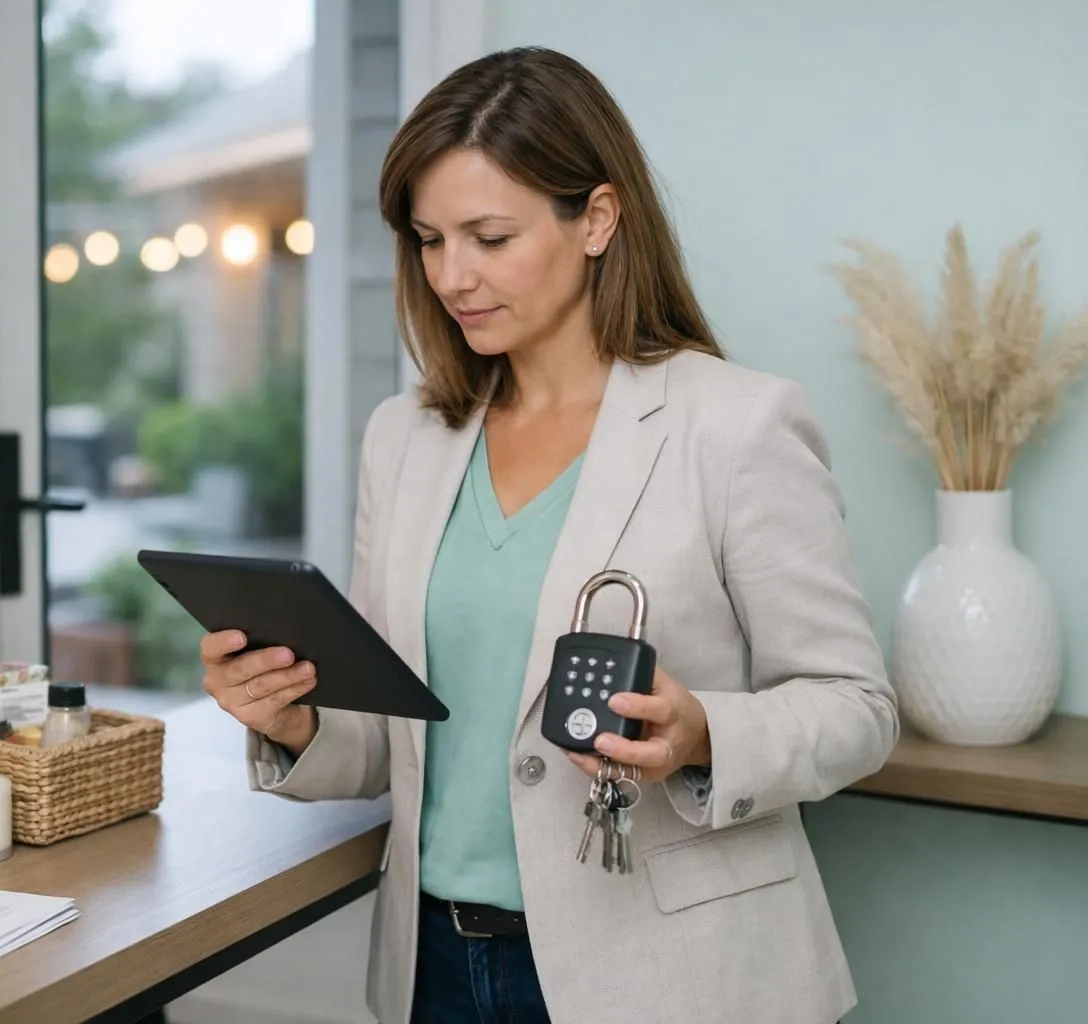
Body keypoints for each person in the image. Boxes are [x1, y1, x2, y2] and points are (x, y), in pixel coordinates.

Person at [199, 46, 895, 1024]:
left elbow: (857, 708)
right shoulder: (404, 437)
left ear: (597, 219)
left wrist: (703, 733)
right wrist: (291, 719)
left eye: (490, 237)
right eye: (430, 240)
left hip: (670, 980)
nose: (453, 276)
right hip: (434, 965)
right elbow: (393, 741)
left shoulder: (737, 426)